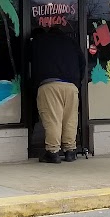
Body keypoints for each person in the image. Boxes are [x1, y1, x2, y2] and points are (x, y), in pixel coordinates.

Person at [30, 26, 85, 163]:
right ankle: (70, 151)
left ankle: (53, 152)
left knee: (53, 119)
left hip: (49, 85)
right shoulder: (71, 42)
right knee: (70, 120)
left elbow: (28, 60)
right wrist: (77, 82)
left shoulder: (39, 41)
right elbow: (82, 63)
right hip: (71, 86)